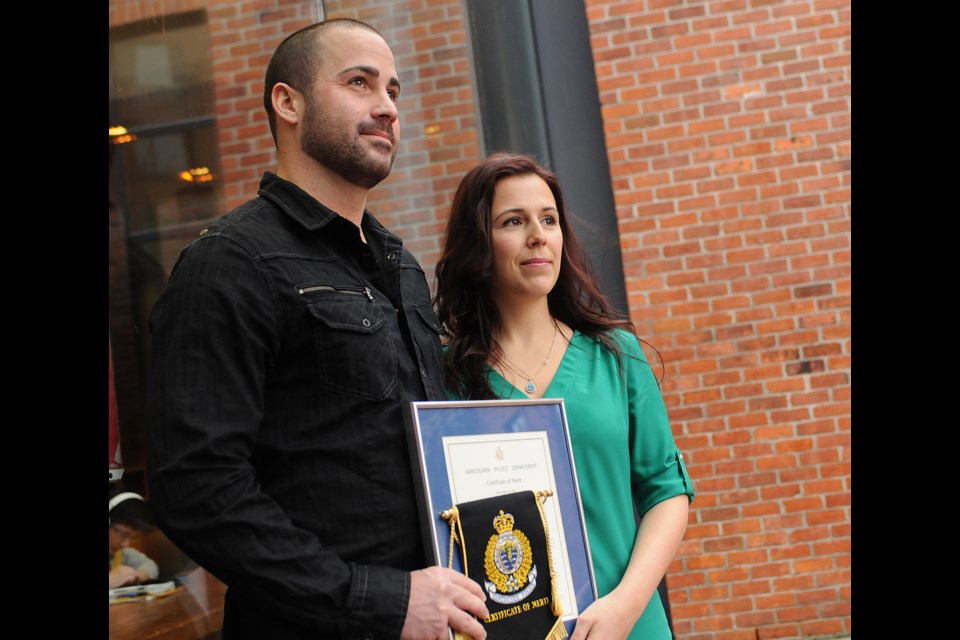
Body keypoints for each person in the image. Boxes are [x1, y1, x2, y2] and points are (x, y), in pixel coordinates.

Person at [145, 18, 488, 640]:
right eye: (359, 83)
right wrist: (377, 600)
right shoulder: (231, 261)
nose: (385, 107)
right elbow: (197, 489)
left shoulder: (401, 266)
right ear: (288, 102)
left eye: (393, 91)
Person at [433, 151, 695, 640]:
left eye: (548, 219)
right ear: (479, 245)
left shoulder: (617, 355)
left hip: (629, 627)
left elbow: (667, 490)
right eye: (514, 220)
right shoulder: (444, 380)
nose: (538, 235)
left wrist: (625, 605)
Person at [109, 488, 160, 589]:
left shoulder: (122, 554)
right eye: (123, 535)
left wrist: (135, 576)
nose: (125, 544)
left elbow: (151, 566)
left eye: (132, 538)